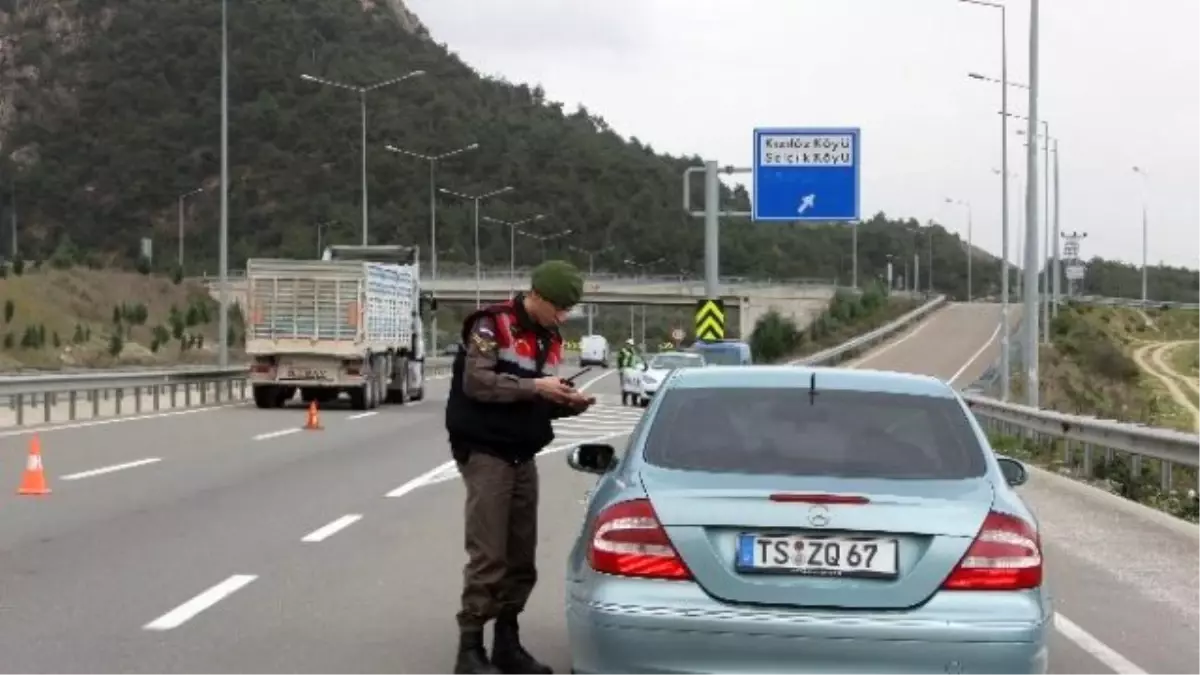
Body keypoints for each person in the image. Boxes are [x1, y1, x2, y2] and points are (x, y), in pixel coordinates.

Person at [444, 259, 597, 675]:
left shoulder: (551, 339)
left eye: (569, 310)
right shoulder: (491, 326)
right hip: (486, 450)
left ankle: (507, 643)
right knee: (489, 555)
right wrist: (535, 387)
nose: (563, 316)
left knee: (520, 558)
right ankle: (470, 649)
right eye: (560, 308)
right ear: (538, 297)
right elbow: (477, 383)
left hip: (522, 452)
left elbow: (538, 404)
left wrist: (568, 404)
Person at [616, 338, 641, 406]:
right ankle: (624, 401)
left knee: (635, 385)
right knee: (626, 386)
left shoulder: (633, 351)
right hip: (625, 370)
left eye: (631, 345)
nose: (630, 346)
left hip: (633, 370)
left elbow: (637, 359)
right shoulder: (622, 351)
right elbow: (619, 360)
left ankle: (634, 402)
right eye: (629, 344)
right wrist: (620, 369)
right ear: (626, 344)